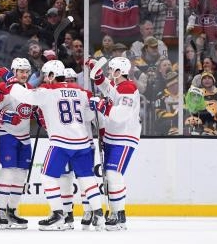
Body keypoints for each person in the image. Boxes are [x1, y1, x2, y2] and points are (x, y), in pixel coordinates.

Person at [9, 60, 105, 231]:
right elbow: (90, 116)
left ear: (52, 75)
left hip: (61, 142)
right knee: (87, 178)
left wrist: (13, 83)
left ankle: (58, 215)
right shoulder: (81, 92)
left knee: (47, 176)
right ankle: (98, 214)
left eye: (46, 76)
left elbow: (25, 96)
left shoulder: (48, 91)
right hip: (82, 142)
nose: (45, 80)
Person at [87, 56, 141, 230]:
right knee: (113, 177)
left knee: (113, 175)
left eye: (112, 69)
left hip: (124, 137)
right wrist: (97, 73)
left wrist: (101, 105)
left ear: (120, 71)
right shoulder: (118, 86)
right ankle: (120, 215)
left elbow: (120, 114)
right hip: (113, 136)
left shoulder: (128, 87)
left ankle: (117, 214)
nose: (110, 72)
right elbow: (106, 87)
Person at [0, 58, 33, 229]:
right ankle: (1, 211)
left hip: (24, 136)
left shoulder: (30, 89)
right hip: (4, 134)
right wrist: (4, 116)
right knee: (7, 172)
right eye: (21, 71)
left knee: (21, 175)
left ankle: (12, 211)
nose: (24, 74)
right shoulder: (3, 88)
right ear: (14, 72)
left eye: (26, 71)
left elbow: (33, 109)